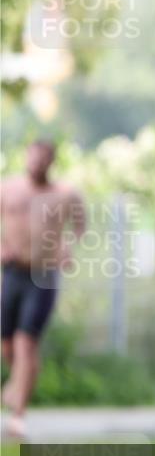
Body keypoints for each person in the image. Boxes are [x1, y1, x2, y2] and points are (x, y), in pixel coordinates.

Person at [0, 140, 85, 438]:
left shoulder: (64, 194)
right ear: (26, 157)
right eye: (32, 158)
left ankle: (18, 416)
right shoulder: (8, 189)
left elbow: (79, 225)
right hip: (11, 274)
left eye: (42, 160)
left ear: (51, 162)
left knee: (26, 343)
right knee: (7, 346)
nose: (36, 164)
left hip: (44, 276)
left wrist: (68, 247)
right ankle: (19, 382)